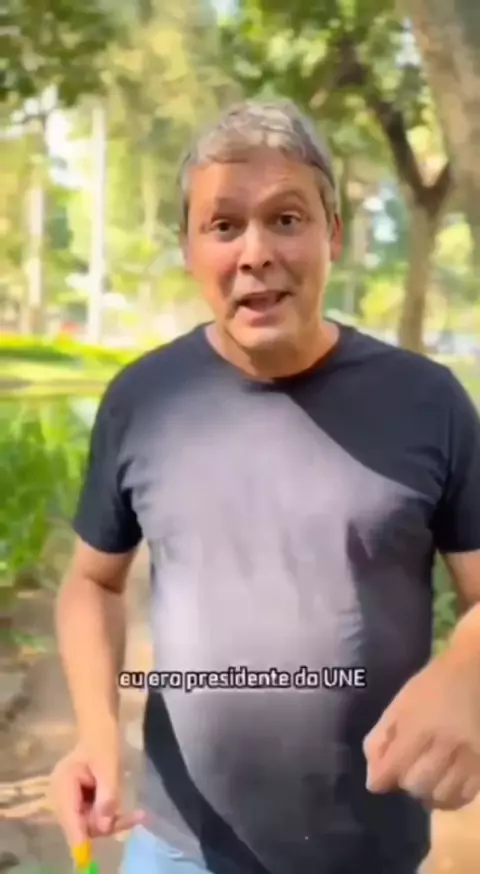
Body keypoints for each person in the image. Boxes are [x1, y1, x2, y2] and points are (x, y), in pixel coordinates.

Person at [49, 99, 480, 874]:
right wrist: (95, 731)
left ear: (333, 235)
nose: (256, 253)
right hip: (178, 849)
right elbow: (92, 582)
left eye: (286, 219)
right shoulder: (143, 401)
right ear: (189, 249)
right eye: (224, 226)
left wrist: (467, 672)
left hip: (369, 856)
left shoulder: (430, 402)